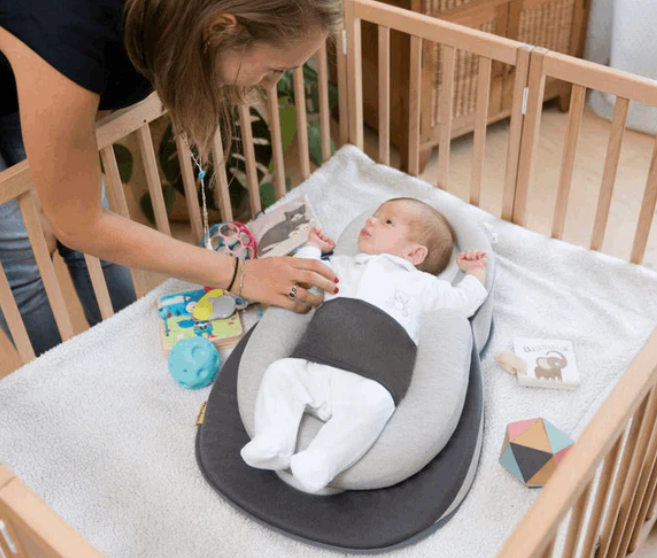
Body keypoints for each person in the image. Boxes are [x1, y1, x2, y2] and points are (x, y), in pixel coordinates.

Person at [0, 0, 341, 356]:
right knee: (21, 260)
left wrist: (58, 185)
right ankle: (58, 379)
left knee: (92, 237)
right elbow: (80, 224)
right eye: (275, 69)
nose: (272, 86)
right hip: (41, 47)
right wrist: (241, 274)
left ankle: (128, 350)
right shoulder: (71, 33)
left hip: (30, 67)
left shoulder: (161, 27)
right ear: (218, 29)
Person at [240, 197, 489, 493]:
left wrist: (475, 273)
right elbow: (305, 275)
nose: (370, 221)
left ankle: (321, 460)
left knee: (376, 404)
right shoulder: (343, 265)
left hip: (370, 378)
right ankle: (274, 440)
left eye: (387, 221)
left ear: (414, 253)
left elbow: (462, 304)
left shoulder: (423, 286)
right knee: (281, 373)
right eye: (373, 215)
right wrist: (314, 249)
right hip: (317, 360)